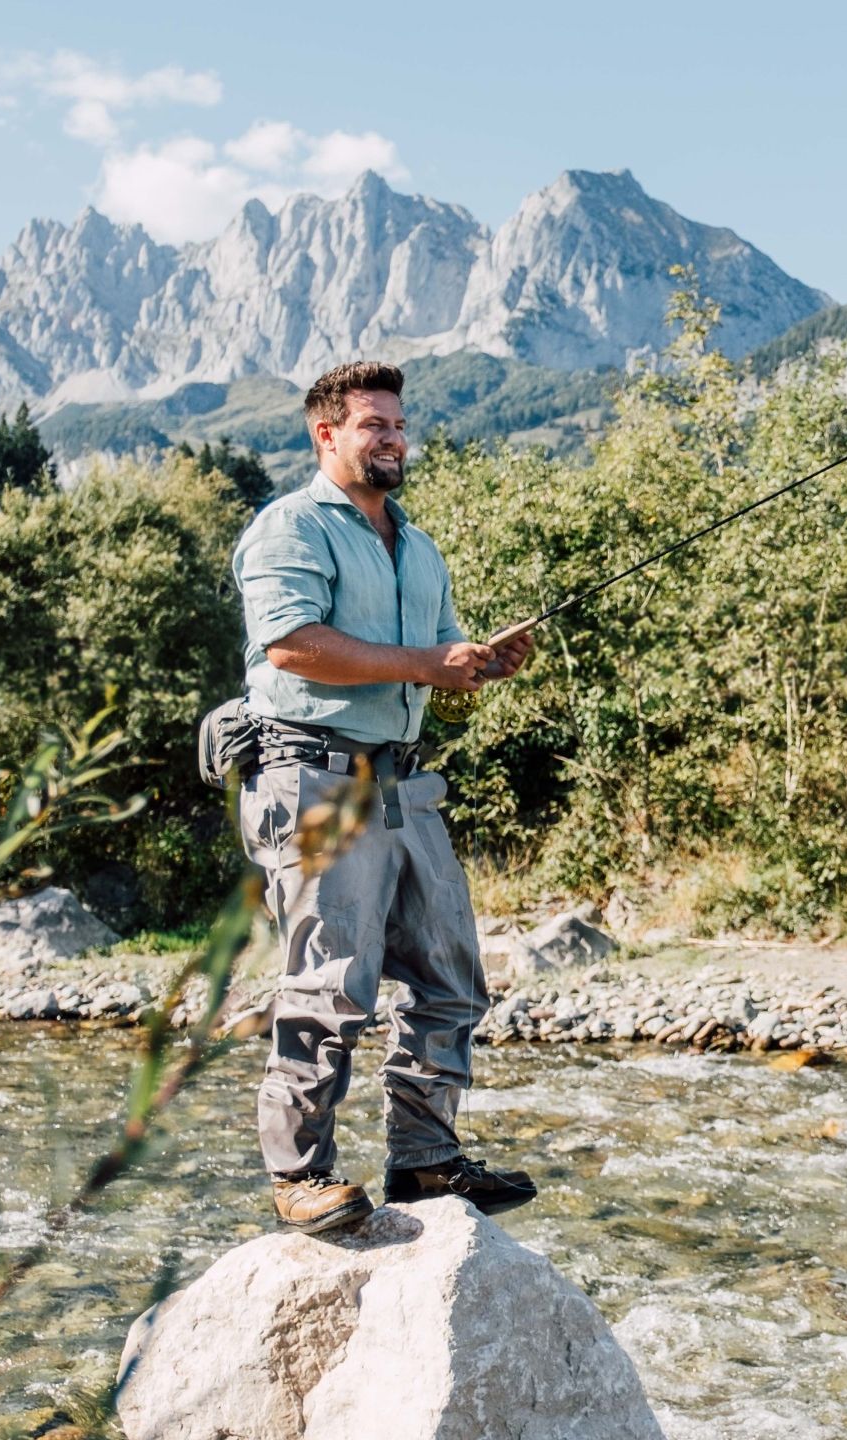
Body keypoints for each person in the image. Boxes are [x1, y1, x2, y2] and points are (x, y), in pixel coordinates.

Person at [229, 359, 537, 1234]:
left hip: (402, 784)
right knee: (330, 988)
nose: (395, 438)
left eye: (399, 424)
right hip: (313, 777)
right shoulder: (288, 529)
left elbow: (440, 659)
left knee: (451, 978)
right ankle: (300, 1177)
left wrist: (479, 665)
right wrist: (419, 665)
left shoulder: (420, 545)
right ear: (326, 434)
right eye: (375, 425)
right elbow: (289, 645)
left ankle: (426, 1163)